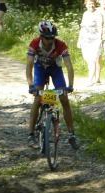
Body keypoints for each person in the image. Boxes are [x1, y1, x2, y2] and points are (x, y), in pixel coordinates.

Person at [26, 21, 79, 150]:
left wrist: (70, 85)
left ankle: (72, 135)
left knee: (64, 99)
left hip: (55, 69)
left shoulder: (60, 45)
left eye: (52, 37)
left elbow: (69, 66)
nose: (50, 40)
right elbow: (29, 65)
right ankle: (31, 134)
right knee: (38, 99)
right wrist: (30, 85)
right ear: (41, 36)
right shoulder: (34, 43)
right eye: (47, 38)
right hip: (40, 69)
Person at [77, 0, 103, 85]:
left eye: (92, 4)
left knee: (93, 60)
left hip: (95, 40)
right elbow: (82, 28)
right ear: (86, 5)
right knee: (88, 59)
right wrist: (79, 40)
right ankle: (93, 77)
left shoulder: (98, 14)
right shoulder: (85, 14)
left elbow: (100, 27)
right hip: (85, 40)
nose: (91, 5)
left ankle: (90, 80)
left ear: (95, 4)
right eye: (89, 4)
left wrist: (100, 39)